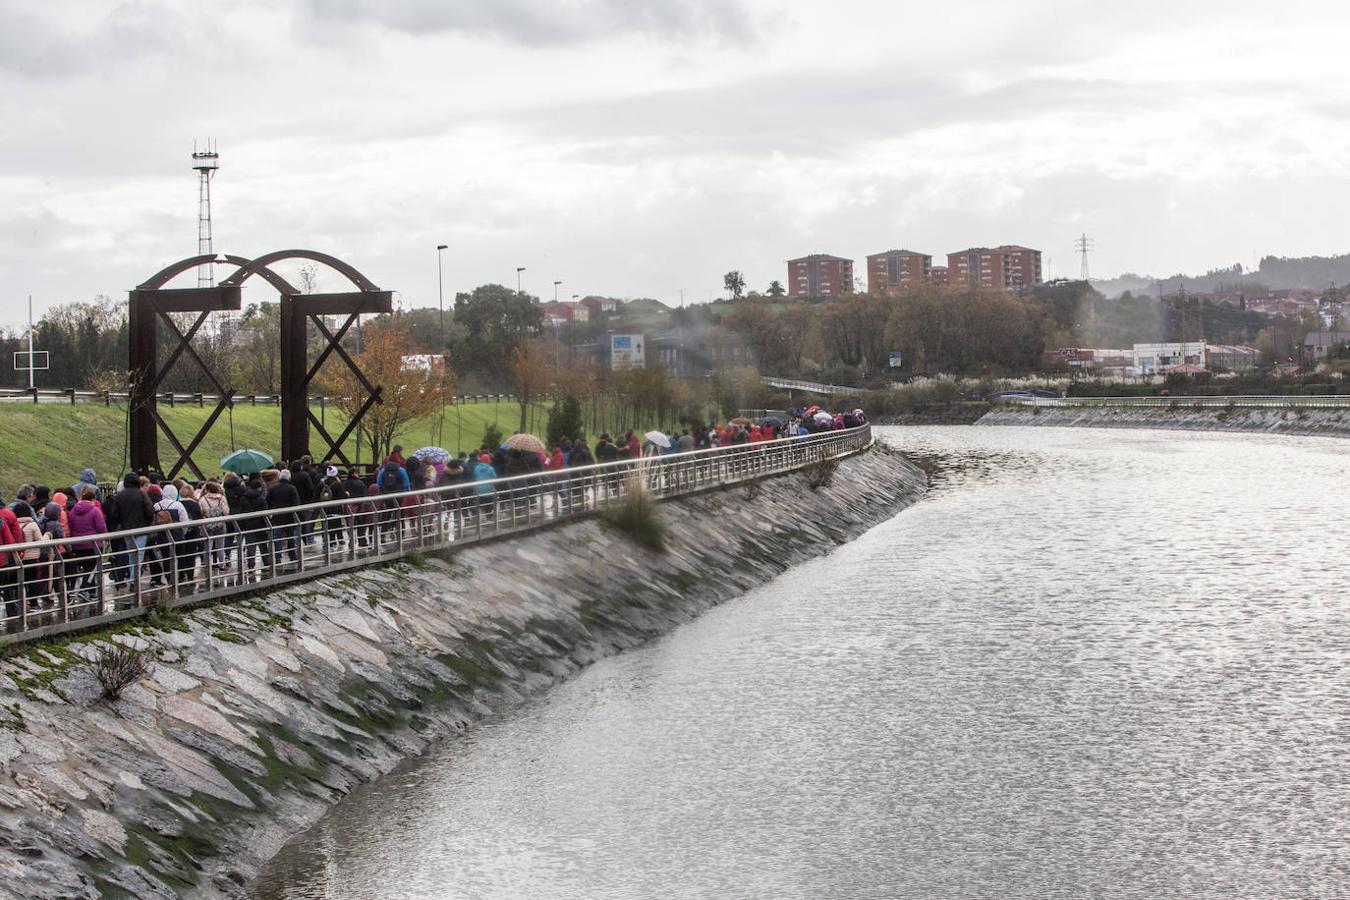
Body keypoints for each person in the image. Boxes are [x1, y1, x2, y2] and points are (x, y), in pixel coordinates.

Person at [105, 473, 154, 595]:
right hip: (141, 530)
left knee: (132, 554)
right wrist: (147, 524)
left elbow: (114, 514)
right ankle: (134, 581)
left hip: (127, 530)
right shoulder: (141, 494)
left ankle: (132, 579)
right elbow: (149, 510)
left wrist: (121, 524)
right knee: (139, 555)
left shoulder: (120, 496)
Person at [66, 485, 106, 613]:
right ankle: (85, 588)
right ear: (93, 499)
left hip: (78, 545)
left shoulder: (73, 511)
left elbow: (71, 527)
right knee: (92, 568)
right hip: (93, 544)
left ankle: (91, 592)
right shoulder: (95, 511)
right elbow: (101, 527)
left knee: (86, 567)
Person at [263, 469, 301, 568]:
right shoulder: (292, 488)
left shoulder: (273, 488)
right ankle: (292, 555)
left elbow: (268, 502)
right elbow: (296, 503)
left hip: (277, 516)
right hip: (289, 517)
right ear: (289, 477)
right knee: (291, 537)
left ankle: (278, 556)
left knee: (277, 538)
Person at [238, 475, 271, 580]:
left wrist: (242, 525)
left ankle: (251, 565)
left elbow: (241, 512)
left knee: (250, 546)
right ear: (259, 488)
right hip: (260, 525)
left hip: (248, 526)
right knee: (263, 545)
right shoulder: (261, 498)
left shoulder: (244, 497)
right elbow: (264, 512)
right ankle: (266, 563)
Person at [198, 481, 230, 572]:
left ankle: (207, 565)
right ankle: (222, 565)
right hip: (220, 524)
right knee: (220, 546)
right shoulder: (222, 498)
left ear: (207, 489)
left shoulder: (202, 499)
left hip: (207, 524)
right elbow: (226, 511)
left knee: (208, 547)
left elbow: (200, 511)